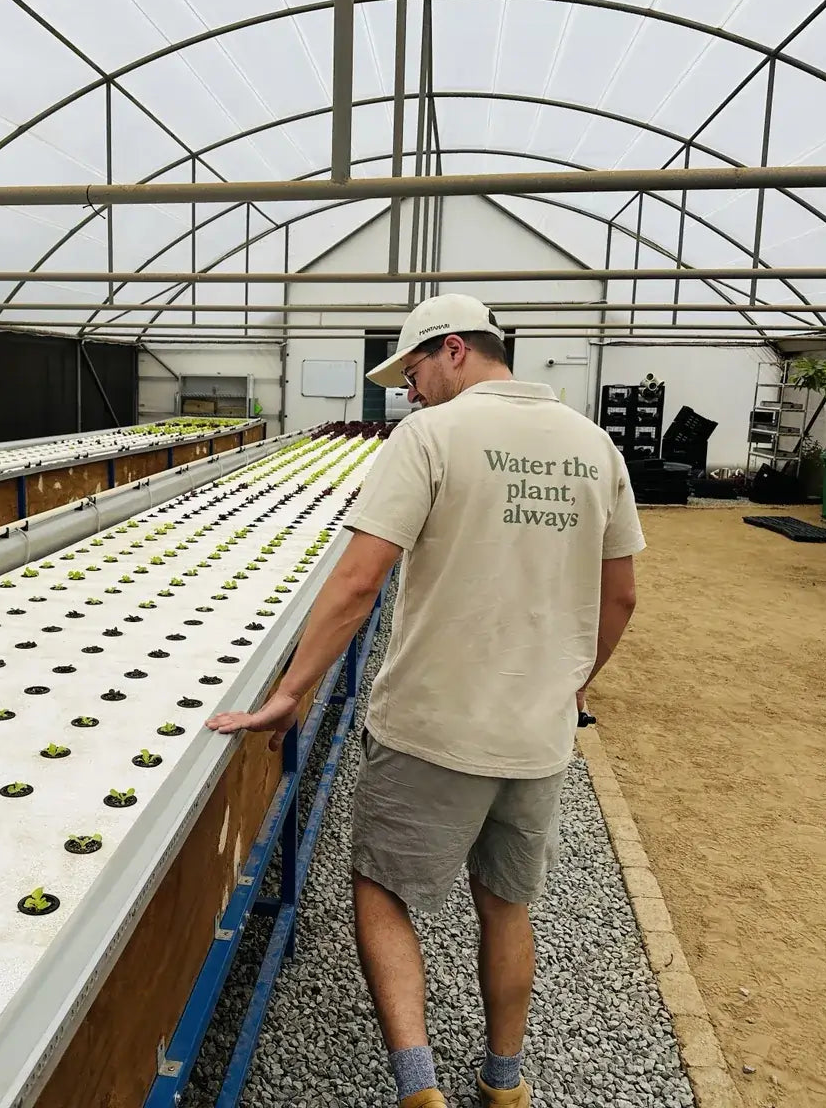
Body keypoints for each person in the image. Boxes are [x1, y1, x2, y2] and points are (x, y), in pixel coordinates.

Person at [206, 293, 644, 1108]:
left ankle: (419, 1091)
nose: (409, 392)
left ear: (451, 350)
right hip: (537, 735)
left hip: (433, 726)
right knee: (508, 905)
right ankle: (503, 1083)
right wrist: (571, 685)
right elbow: (618, 598)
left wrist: (292, 691)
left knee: (379, 887)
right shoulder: (595, 447)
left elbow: (360, 579)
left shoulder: (433, 437)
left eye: (411, 373)